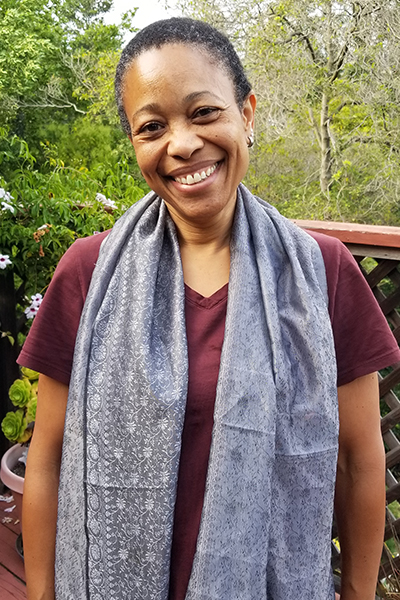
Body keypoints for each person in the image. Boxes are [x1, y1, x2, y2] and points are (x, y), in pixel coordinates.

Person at [19, 17, 399, 600]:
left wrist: (359, 594)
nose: (182, 144)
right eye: (152, 126)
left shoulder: (323, 272)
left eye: (203, 112)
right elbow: (46, 457)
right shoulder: (88, 273)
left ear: (246, 113)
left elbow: (360, 460)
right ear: (135, 144)